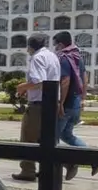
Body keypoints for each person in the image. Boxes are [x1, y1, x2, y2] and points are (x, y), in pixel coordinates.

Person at [12, 35, 61, 182]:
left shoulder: (37, 58)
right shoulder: (52, 56)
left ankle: (28, 170)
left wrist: (22, 87)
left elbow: (39, 81)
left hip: (38, 105)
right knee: (46, 139)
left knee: (28, 137)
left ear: (30, 46)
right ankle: (60, 164)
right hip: (52, 102)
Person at [53, 31, 98, 181]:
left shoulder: (65, 59)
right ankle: (94, 159)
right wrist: (83, 99)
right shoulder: (77, 57)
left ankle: (67, 164)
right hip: (76, 103)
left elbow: (65, 81)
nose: (54, 48)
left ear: (60, 44)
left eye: (55, 44)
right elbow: (84, 79)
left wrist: (60, 103)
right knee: (67, 135)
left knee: (51, 139)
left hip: (66, 105)